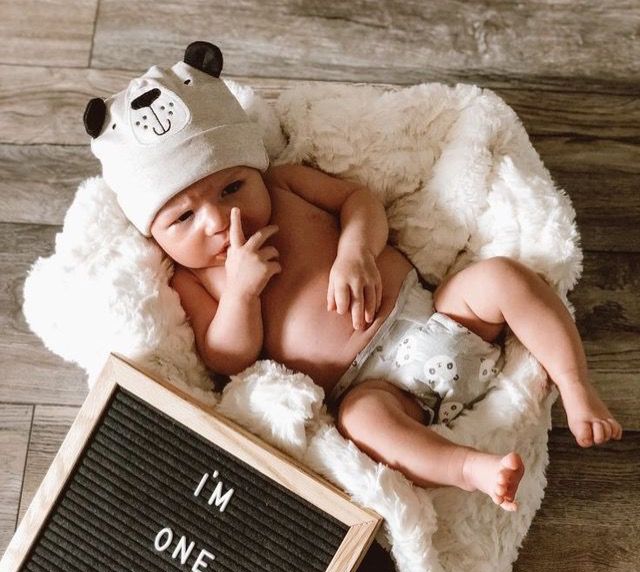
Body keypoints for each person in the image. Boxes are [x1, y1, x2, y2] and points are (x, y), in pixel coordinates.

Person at [85, 41, 622, 513]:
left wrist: (355, 252)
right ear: (156, 233)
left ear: (252, 166)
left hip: (442, 315)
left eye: (232, 188)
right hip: (376, 389)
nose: (219, 222)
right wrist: (242, 295)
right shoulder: (190, 279)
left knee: (502, 277)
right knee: (360, 425)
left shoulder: (287, 186)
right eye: (183, 218)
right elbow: (226, 358)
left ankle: (575, 386)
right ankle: (469, 469)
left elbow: (359, 201)